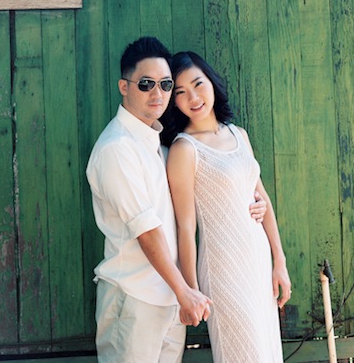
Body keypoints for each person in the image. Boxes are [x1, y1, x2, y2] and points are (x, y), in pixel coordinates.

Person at [86, 37, 265, 363]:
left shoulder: (160, 145)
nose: (158, 93)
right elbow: (146, 231)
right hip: (134, 298)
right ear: (124, 87)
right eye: (146, 84)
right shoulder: (117, 148)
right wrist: (186, 291)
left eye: (166, 84)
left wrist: (251, 199)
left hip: (169, 298)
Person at [162, 50, 291, 363]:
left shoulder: (238, 134)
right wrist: (191, 290)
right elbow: (186, 227)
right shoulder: (184, 149)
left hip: (257, 262)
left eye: (198, 84)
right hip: (223, 269)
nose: (193, 98)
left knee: (266, 351)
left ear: (211, 82)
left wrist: (279, 262)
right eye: (181, 92)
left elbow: (262, 198)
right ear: (174, 102)